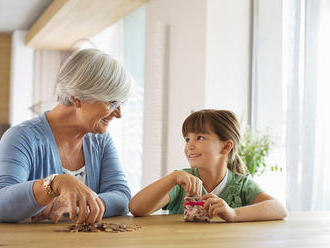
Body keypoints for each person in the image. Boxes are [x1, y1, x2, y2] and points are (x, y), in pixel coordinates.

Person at [0, 48, 134, 224]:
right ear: (77, 98)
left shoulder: (100, 141)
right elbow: (2, 203)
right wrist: (54, 184)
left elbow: (122, 197)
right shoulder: (21, 138)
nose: (118, 114)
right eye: (112, 103)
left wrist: (81, 206)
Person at [129, 109, 288, 222]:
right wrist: (173, 177)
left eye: (200, 138)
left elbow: (279, 209)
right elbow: (136, 208)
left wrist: (233, 214)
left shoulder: (242, 185)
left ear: (226, 147)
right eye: (187, 139)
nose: (190, 146)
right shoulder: (181, 182)